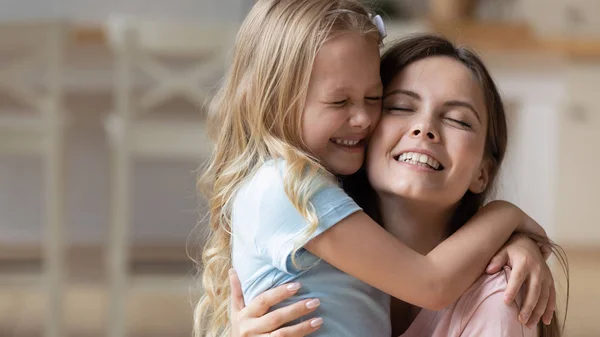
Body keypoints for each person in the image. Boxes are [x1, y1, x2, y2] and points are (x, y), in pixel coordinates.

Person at [194, 1, 556, 336]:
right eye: (398, 107)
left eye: (374, 99)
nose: (364, 118)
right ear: (276, 101)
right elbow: (430, 282)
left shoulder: (498, 301)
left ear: (485, 171)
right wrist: (503, 215)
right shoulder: (290, 189)